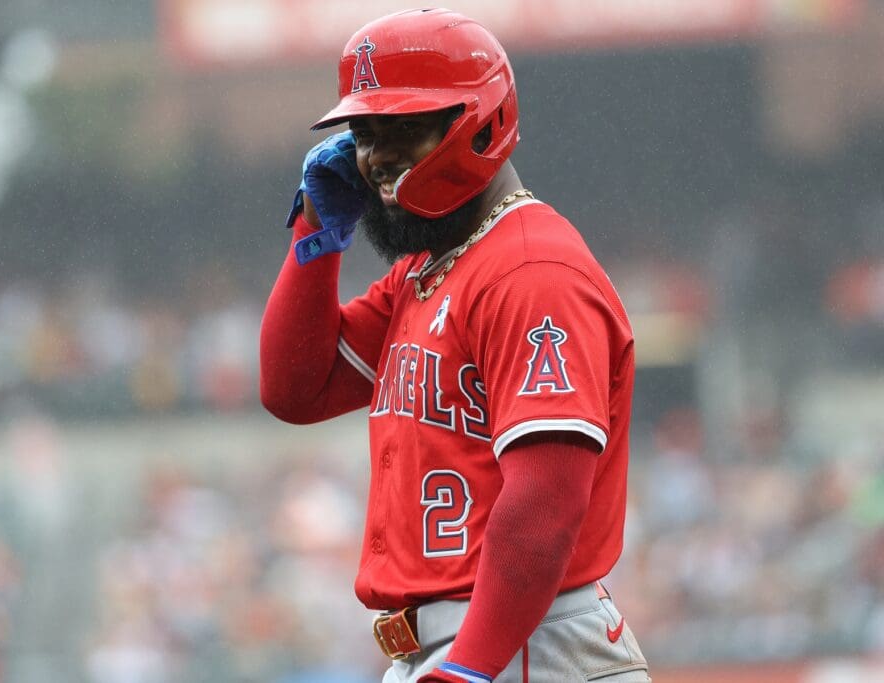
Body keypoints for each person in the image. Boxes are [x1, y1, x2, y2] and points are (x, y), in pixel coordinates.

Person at [260, 8, 650, 683]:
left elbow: (546, 503)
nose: (375, 156)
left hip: (525, 644)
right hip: (466, 646)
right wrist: (315, 233)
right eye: (363, 132)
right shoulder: (429, 267)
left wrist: (469, 668)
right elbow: (296, 387)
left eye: (403, 129)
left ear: (481, 120)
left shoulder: (532, 270)